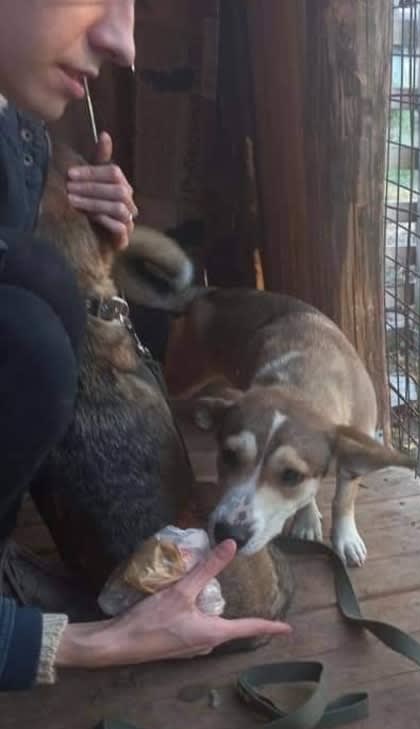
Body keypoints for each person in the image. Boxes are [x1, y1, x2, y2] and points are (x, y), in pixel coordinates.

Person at [0, 1, 290, 692]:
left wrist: (81, 237)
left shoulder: (17, 130)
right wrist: (99, 643)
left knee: (43, 282)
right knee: (29, 335)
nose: (125, 44)